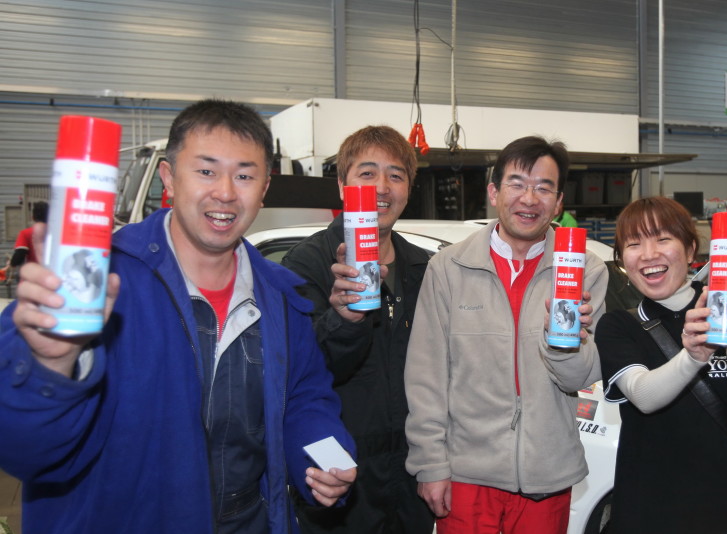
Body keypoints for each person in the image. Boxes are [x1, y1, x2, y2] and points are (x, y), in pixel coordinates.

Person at [0, 100, 357, 534]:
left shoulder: (281, 298)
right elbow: (24, 451)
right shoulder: (93, 282)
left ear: (265, 189)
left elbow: (304, 397)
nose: (225, 192)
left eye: (244, 175)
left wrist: (324, 456)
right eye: (206, 171)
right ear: (169, 178)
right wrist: (53, 366)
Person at [404, 136, 609, 534]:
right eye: (517, 183)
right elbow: (426, 377)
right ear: (494, 192)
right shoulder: (449, 268)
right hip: (466, 476)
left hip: (547, 475)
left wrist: (562, 337)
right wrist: (430, 463)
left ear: (559, 201)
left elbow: (577, 379)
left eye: (544, 187)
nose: (530, 198)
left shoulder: (585, 271)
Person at [282, 125, 434, 534]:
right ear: (343, 186)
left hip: (411, 479)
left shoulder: (426, 269)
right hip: (340, 476)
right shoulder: (306, 265)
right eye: (367, 173)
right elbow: (300, 373)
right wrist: (342, 320)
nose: (382, 187)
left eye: (396, 175)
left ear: (408, 189)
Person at [594, 196, 727, 533]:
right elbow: (643, 396)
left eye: (663, 239)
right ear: (623, 261)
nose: (648, 254)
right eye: (634, 244)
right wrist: (692, 356)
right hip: (646, 509)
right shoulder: (619, 325)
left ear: (691, 251)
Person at [5, 201, 47, 277]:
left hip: (34, 276)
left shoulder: (25, 233)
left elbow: (20, 255)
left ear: (33, 217)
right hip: (53, 275)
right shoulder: (58, 234)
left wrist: (12, 263)